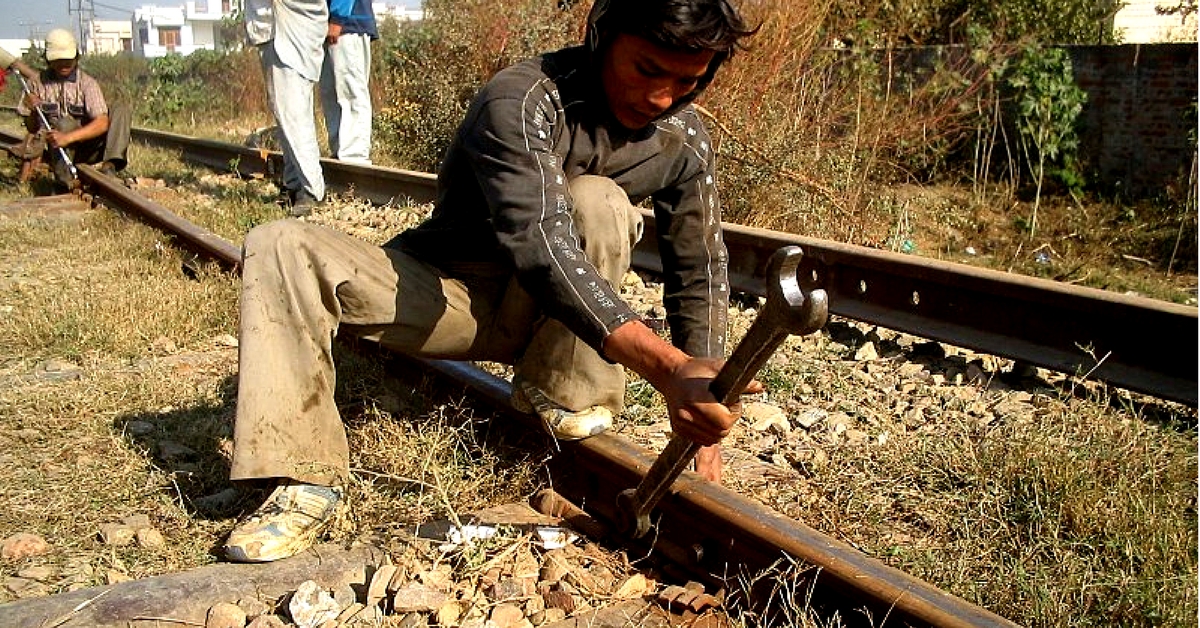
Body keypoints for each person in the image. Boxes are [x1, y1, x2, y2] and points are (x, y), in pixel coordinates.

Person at [222, 0, 759, 563]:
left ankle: (563, 395)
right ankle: (302, 476)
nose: (661, 97)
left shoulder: (684, 138)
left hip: (554, 321)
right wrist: (669, 370)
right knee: (279, 244)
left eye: (687, 81)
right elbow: (540, 241)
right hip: (448, 296)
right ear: (600, 37)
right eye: (647, 70)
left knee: (600, 202)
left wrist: (707, 402)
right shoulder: (525, 98)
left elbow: (699, 266)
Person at [10, 29, 131, 185]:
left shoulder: (87, 83)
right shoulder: (36, 84)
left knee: (121, 108)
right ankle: (65, 181)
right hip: (60, 152)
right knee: (64, 123)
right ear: (48, 59)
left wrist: (68, 138)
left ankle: (110, 166)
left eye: (68, 59)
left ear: (76, 58)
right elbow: (32, 129)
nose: (64, 64)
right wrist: (32, 110)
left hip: (89, 147)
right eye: (58, 59)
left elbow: (102, 123)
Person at [245, 0, 328, 216]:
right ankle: (294, 184)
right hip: (274, 29)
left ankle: (312, 190)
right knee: (285, 114)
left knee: (294, 113)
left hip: (291, 31)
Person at [320, 0, 377, 164]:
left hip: (348, 23)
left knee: (351, 93)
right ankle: (340, 152)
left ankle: (355, 157)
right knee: (331, 93)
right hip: (330, 24)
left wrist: (338, 17)